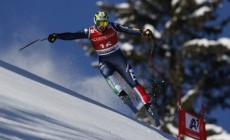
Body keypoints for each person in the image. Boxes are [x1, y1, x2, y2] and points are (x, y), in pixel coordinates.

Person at [48, 11, 154, 113]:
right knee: (106, 73)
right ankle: (121, 94)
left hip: (118, 58)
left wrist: (142, 32)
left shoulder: (112, 26)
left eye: (104, 23)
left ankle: (148, 103)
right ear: (95, 23)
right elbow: (73, 35)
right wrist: (57, 36)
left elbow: (128, 29)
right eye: (100, 23)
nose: (103, 26)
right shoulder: (89, 32)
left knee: (132, 82)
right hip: (105, 60)